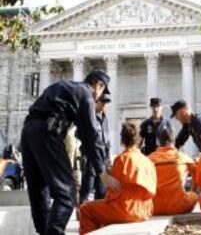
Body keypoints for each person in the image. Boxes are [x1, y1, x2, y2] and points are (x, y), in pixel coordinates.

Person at [20, 69, 120, 235]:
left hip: (28, 132)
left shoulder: (64, 87)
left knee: (39, 191)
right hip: (47, 133)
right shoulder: (86, 95)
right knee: (66, 194)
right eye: (102, 91)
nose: (99, 97)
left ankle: (44, 232)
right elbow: (91, 136)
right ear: (98, 85)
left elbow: (82, 134)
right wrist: (101, 171)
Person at [80, 122, 157, 234]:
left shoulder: (121, 159)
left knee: (85, 208)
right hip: (145, 210)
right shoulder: (148, 161)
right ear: (139, 140)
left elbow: (113, 193)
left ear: (122, 140)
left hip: (126, 210)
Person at [148, 121, 198, 215]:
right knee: (194, 195)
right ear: (174, 140)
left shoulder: (149, 159)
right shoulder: (181, 157)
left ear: (158, 141)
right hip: (178, 207)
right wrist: (192, 189)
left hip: (154, 208)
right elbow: (197, 173)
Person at [79, 93, 112, 205]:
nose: (104, 105)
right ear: (96, 102)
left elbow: (107, 139)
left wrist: (108, 157)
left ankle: (98, 212)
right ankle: (82, 210)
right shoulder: (90, 118)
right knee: (87, 186)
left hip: (102, 158)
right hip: (91, 157)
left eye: (106, 103)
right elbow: (80, 135)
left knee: (102, 189)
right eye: (102, 102)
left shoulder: (104, 119)